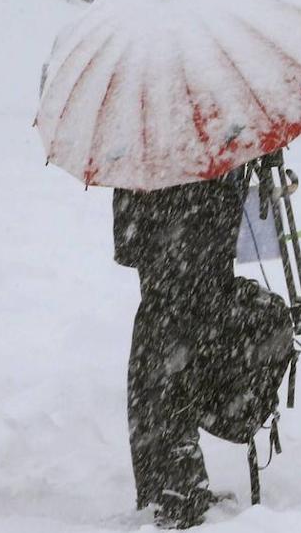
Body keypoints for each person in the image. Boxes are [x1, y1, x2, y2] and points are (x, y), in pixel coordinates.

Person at [112, 171, 246, 528]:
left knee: (167, 359)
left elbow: (129, 244)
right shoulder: (179, 134)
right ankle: (175, 487)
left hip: (176, 240)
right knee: (170, 359)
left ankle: (172, 484)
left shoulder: (143, 138)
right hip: (182, 240)